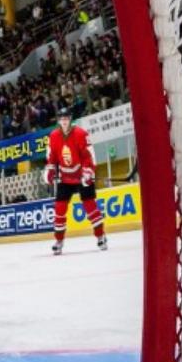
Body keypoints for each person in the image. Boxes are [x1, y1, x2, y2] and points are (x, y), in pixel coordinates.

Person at [45, 105, 107, 254]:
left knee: (90, 207)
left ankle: (100, 236)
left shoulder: (81, 134)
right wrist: (50, 170)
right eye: (61, 119)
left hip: (81, 176)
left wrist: (88, 172)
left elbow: (89, 156)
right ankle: (59, 241)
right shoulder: (53, 137)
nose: (64, 121)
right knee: (59, 210)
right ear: (58, 121)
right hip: (65, 178)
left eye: (66, 118)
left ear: (70, 119)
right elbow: (51, 158)